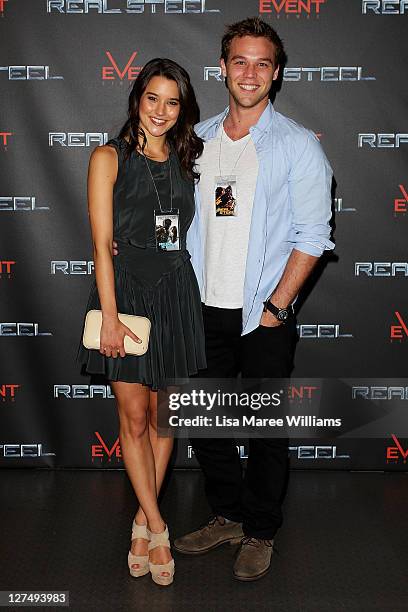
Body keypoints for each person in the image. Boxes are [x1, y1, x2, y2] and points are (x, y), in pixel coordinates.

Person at [113, 17, 334, 582]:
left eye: (262, 63)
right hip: (199, 307)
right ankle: (227, 514)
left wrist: (278, 307)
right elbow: (173, 217)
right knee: (204, 422)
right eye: (240, 61)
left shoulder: (298, 146)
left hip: (264, 311)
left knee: (264, 429)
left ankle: (260, 528)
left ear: (276, 73)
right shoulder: (198, 139)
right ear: (223, 68)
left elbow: (313, 236)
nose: (250, 73)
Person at [76, 58, 206, 586]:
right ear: (137, 99)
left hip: (177, 292)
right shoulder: (108, 157)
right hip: (126, 293)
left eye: (172, 102)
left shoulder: (186, 157)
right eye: (152, 98)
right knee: (133, 420)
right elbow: (100, 248)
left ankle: (139, 521)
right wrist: (108, 317)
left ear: (182, 110)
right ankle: (158, 525)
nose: (161, 110)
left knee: (165, 420)